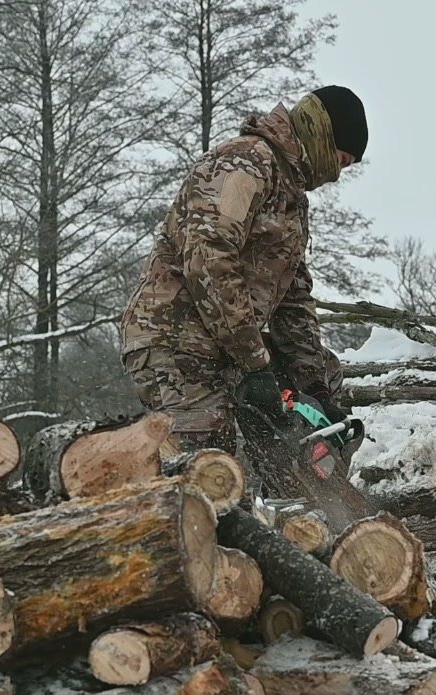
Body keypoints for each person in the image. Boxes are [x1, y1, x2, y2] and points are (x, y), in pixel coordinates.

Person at [120, 86, 367, 455]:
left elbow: (293, 299)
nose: (334, 175)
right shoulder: (244, 163)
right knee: (205, 463)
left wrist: (314, 388)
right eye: (339, 160)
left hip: (226, 344)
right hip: (176, 337)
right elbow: (209, 259)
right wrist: (255, 364)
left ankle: (298, 489)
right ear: (321, 134)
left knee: (317, 380)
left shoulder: (291, 198)